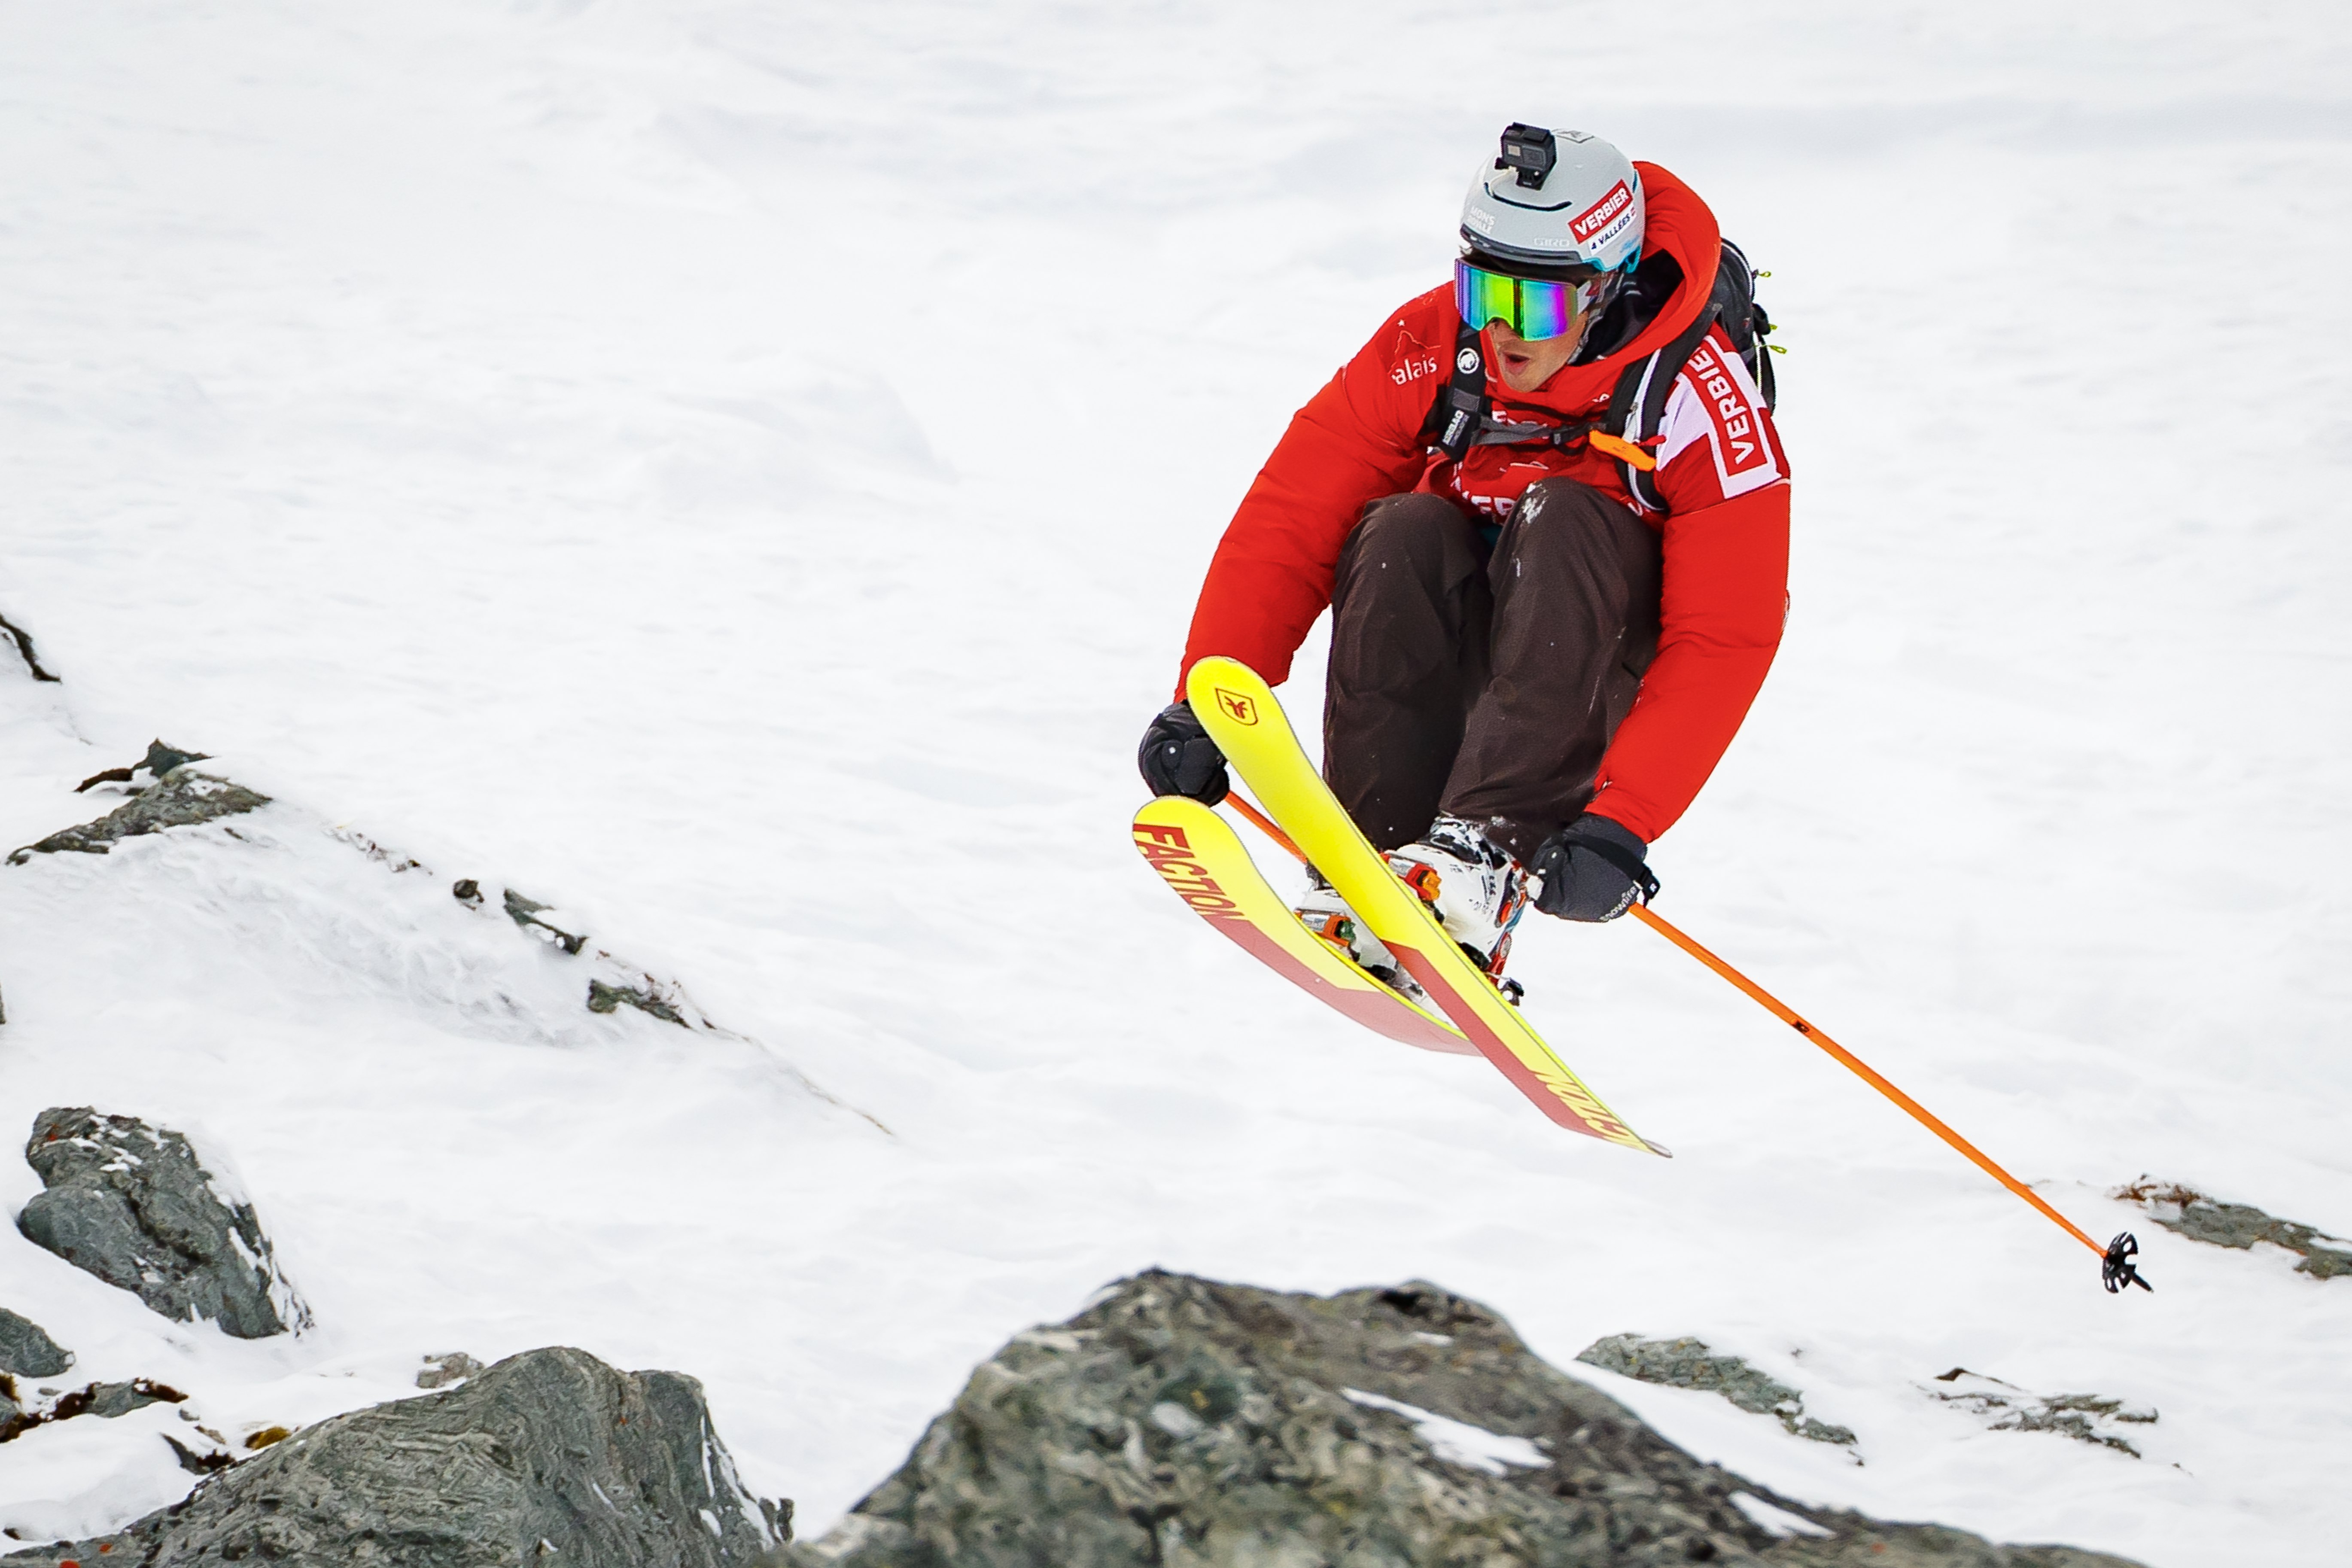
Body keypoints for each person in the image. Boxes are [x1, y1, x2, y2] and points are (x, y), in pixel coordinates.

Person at [1139, 124, 1789, 992]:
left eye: (1537, 308)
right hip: (1468, 638)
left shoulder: (1699, 401)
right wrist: (1207, 697)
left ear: (1607, 291)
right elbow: (1290, 515)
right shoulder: (1430, 344)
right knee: (1403, 527)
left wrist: (1623, 823)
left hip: (1594, 668)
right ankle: (1372, 867)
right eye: (1482, 289)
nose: (1499, 329)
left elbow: (1726, 635)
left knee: (1564, 514)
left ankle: (1481, 862)